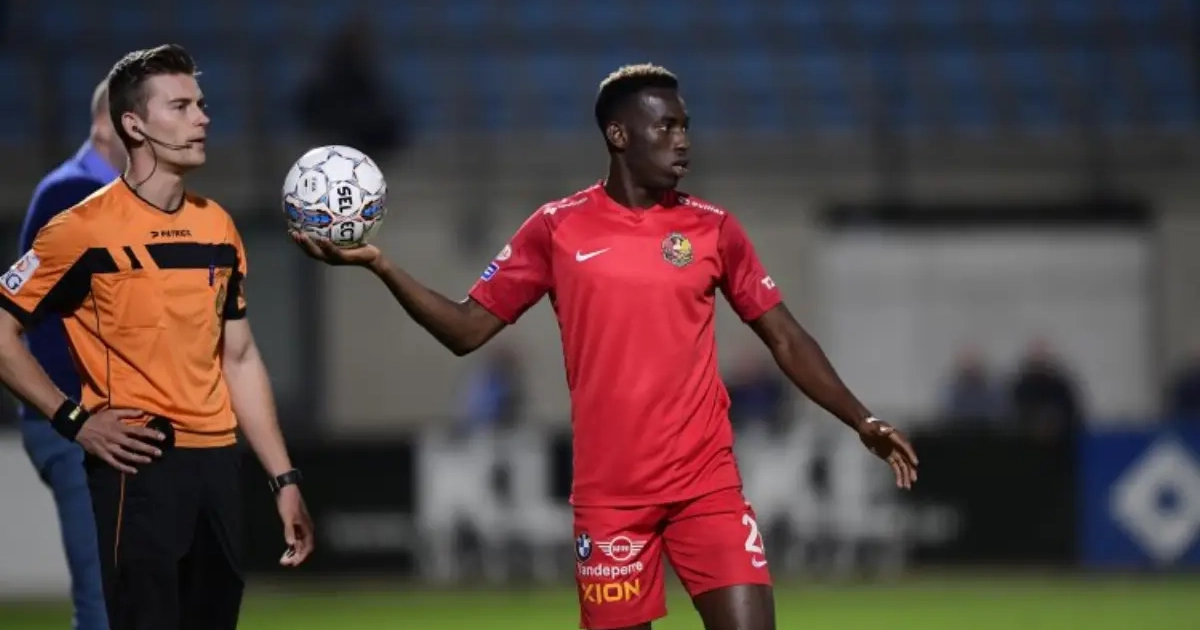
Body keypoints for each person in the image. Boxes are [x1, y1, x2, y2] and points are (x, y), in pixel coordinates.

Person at [292, 64, 918, 630]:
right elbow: (465, 329)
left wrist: (861, 419)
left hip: (707, 487)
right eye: (666, 126)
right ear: (619, 135)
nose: (683, 140)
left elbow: (785, 336)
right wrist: (382, 265)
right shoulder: (557, 228)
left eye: (685, 125)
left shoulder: (713, 228)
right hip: (612, 501)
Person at [0, 44, 313, 630]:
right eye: (181, 106)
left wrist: (283, 477)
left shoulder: (217, 226)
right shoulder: (80, 230)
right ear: (134, 125)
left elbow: (240, 357)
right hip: (140, 465)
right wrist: (74, 421)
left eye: (201, 104)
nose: (202, 118)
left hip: (219, 467)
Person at [17, 78, 124, 630]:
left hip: (98, 421)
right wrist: (73, 417)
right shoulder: (72, 194)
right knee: (104, 598)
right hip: (78, 421)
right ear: (105, 124)